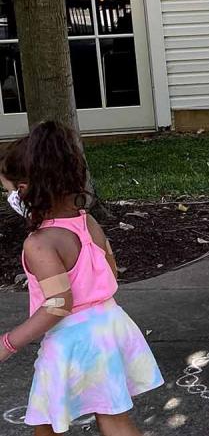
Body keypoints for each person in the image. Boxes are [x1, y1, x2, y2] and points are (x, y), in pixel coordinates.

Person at [0, 122, 162, 435]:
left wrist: (8, 343)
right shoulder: (87, 223)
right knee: (71, 415)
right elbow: (110, 272)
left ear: (25, 190)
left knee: (60, 419)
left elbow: (59, 304)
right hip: (110, 325)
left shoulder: (39, 243)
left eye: (12, 191)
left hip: (74, 339)